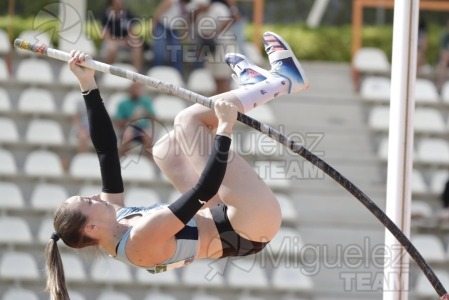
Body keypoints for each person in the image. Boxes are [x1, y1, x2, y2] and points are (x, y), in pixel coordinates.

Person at [45, 32, 309, 300]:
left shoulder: (113, 221)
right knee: (188, 121)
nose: (94, 197)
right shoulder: (139, 239)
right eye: (88, 202)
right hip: (249, 225)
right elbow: (203, 190)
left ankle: (255, 86)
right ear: (90, 229)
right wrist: (224, 129)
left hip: (224, 219)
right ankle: (284, 81)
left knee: (164, 150)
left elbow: (106, 152)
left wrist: (88, 85)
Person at [189, 0, 237, 94]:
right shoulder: (200, 14)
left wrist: (213, 34)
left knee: (222, 77)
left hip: (222, 48)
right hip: (210, 49)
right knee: (214, 76)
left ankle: (225, 100)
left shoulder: (219, 8)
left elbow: (227, 21)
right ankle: (218, 99)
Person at [114, 82, 157, 161]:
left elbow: (154, 118)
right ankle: (121, 160)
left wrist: (145, 112)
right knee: (127, 135)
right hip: (128, 127)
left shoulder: (146, 102)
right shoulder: (123, 104)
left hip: (143, 128)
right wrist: (132, 119)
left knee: (148, 137)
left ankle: (150, 163)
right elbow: (118, 122)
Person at [101, 0, 144, 72]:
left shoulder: (128, 15)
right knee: (112, 47)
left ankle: (136, 75)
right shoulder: (106, 15)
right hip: (112, 43)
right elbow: (105, 36)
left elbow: (133, 33)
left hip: (125, 43)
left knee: (137, 44)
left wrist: (126, 40)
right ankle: (107, 73)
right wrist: (119, 42)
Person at [152, 0, 191, 73]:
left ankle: (177, 74)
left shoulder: (187, 7)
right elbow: (158, 12)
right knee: (159, 51)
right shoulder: (172, 1)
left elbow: (185, 23)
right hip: (162, 27)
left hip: (174, 30)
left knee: (177, 52)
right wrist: (154, 27)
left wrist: (182, 37)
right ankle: (156, 73)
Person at [436, 20, 449, 93]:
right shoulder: (445, 37)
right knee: (443, 63)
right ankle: (439, 86)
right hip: (445, 61)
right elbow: (441, 52)